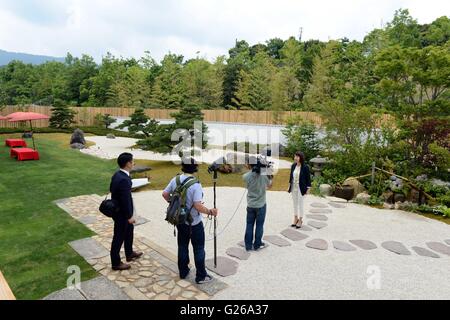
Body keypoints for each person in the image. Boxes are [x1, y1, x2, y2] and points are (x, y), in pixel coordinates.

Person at [162, 157, 218, 284]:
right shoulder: (195, 184)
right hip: (194, 223)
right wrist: (210, 211)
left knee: (182, 246)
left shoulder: (175, 179)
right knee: (198, 249)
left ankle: (183, 271)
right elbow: (197, 205)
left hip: (180, 221)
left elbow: (165, 194)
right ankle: (201, 276)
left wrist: (175, 204)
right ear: (195, 168)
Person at [110, 153, 143, 270]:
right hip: (121, 214)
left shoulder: (117, 175)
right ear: (128, 163)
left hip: (118, 210)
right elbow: (124, 200)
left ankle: (129, 253)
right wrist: (129, 216)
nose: (133, 163)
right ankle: (115, 262)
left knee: (129, 231)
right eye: (132, 161)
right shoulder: (124, 179)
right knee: (118, 237)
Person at [243, 156, 273, 252]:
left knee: (249, 224)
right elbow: (270, 186)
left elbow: (248, 181)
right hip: (261, 205)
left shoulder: (246, 176)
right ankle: (257, 244)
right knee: (259, 225)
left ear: (250, 165)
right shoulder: (264, 175)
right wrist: (269, 172)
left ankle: (248, 246)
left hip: (250, 205)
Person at [288, 151, 312, 228]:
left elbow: (308, 179)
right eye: (295, 156)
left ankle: (300, 220)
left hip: (301, 188)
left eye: (297, 157)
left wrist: (308, 188)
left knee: (300, 204)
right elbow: (291, 177)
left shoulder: (305, 167)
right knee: (295, 203)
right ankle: (295, 218)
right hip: (293, 187)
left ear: (301, 158)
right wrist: (289, 186)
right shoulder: (293, 166)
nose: (295, 158)